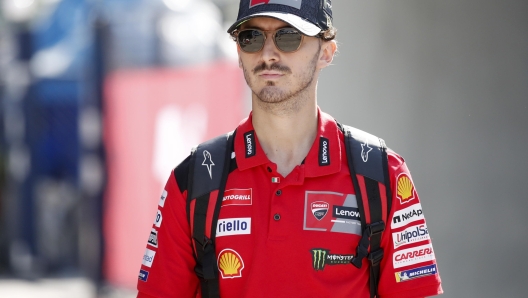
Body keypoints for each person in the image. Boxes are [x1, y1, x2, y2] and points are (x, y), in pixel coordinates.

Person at [136, 0, 443, 297]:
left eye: (288, 36)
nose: (268, 54)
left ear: (327, 52)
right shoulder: (194, 178)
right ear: (238, 51)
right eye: (252, 37)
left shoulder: (381, 173)